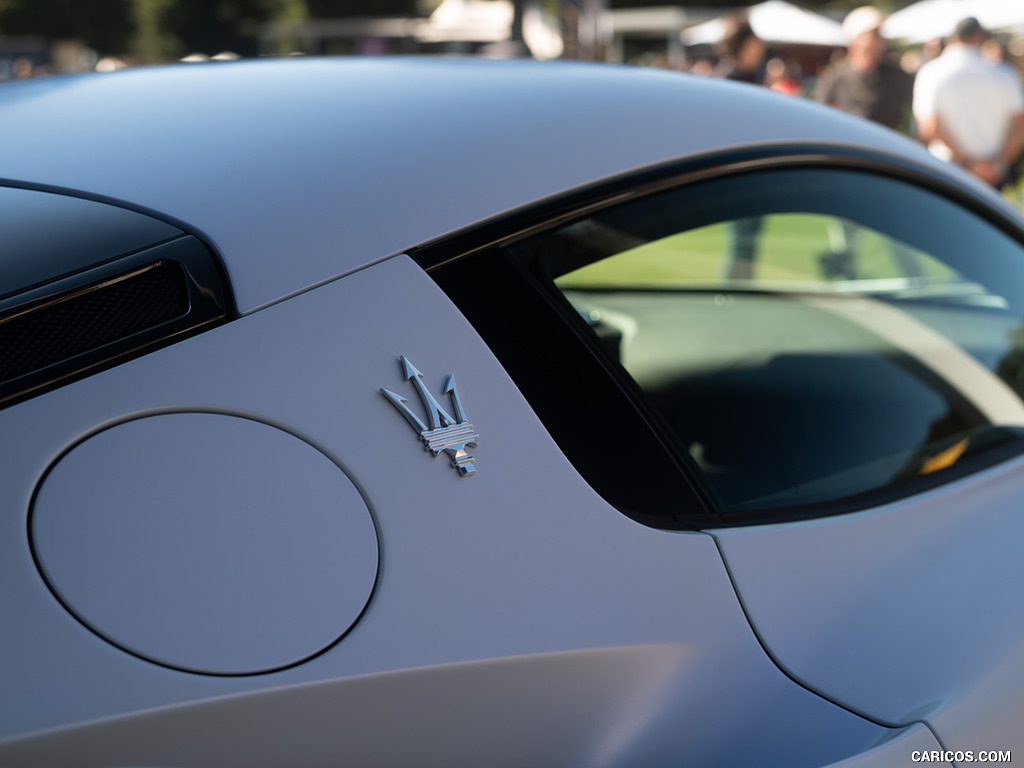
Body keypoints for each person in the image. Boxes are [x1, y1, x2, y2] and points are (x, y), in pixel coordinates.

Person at [913, 17, 1024, 188]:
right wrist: (996, 165)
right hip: (992, 175)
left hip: (947, 170)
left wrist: (968, 164)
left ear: (952, 37)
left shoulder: (931, 73)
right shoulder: (1005, 74)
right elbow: (1019, 125)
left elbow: (929, 127)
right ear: (979, 36)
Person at [712, 17, 767, 280]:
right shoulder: (729, 77)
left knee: (749, 243)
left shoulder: (750, 73)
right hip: (738, 176)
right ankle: (732, 296)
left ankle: (740, 291)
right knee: (741, 244)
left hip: (753, 174)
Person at [815, 6, 913, 131]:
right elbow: (821, 118)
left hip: (887, 147)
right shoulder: (835, 77)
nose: (879, 42)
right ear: (855, 40)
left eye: (880, 36)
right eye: (873, 36)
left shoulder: (896, 76)